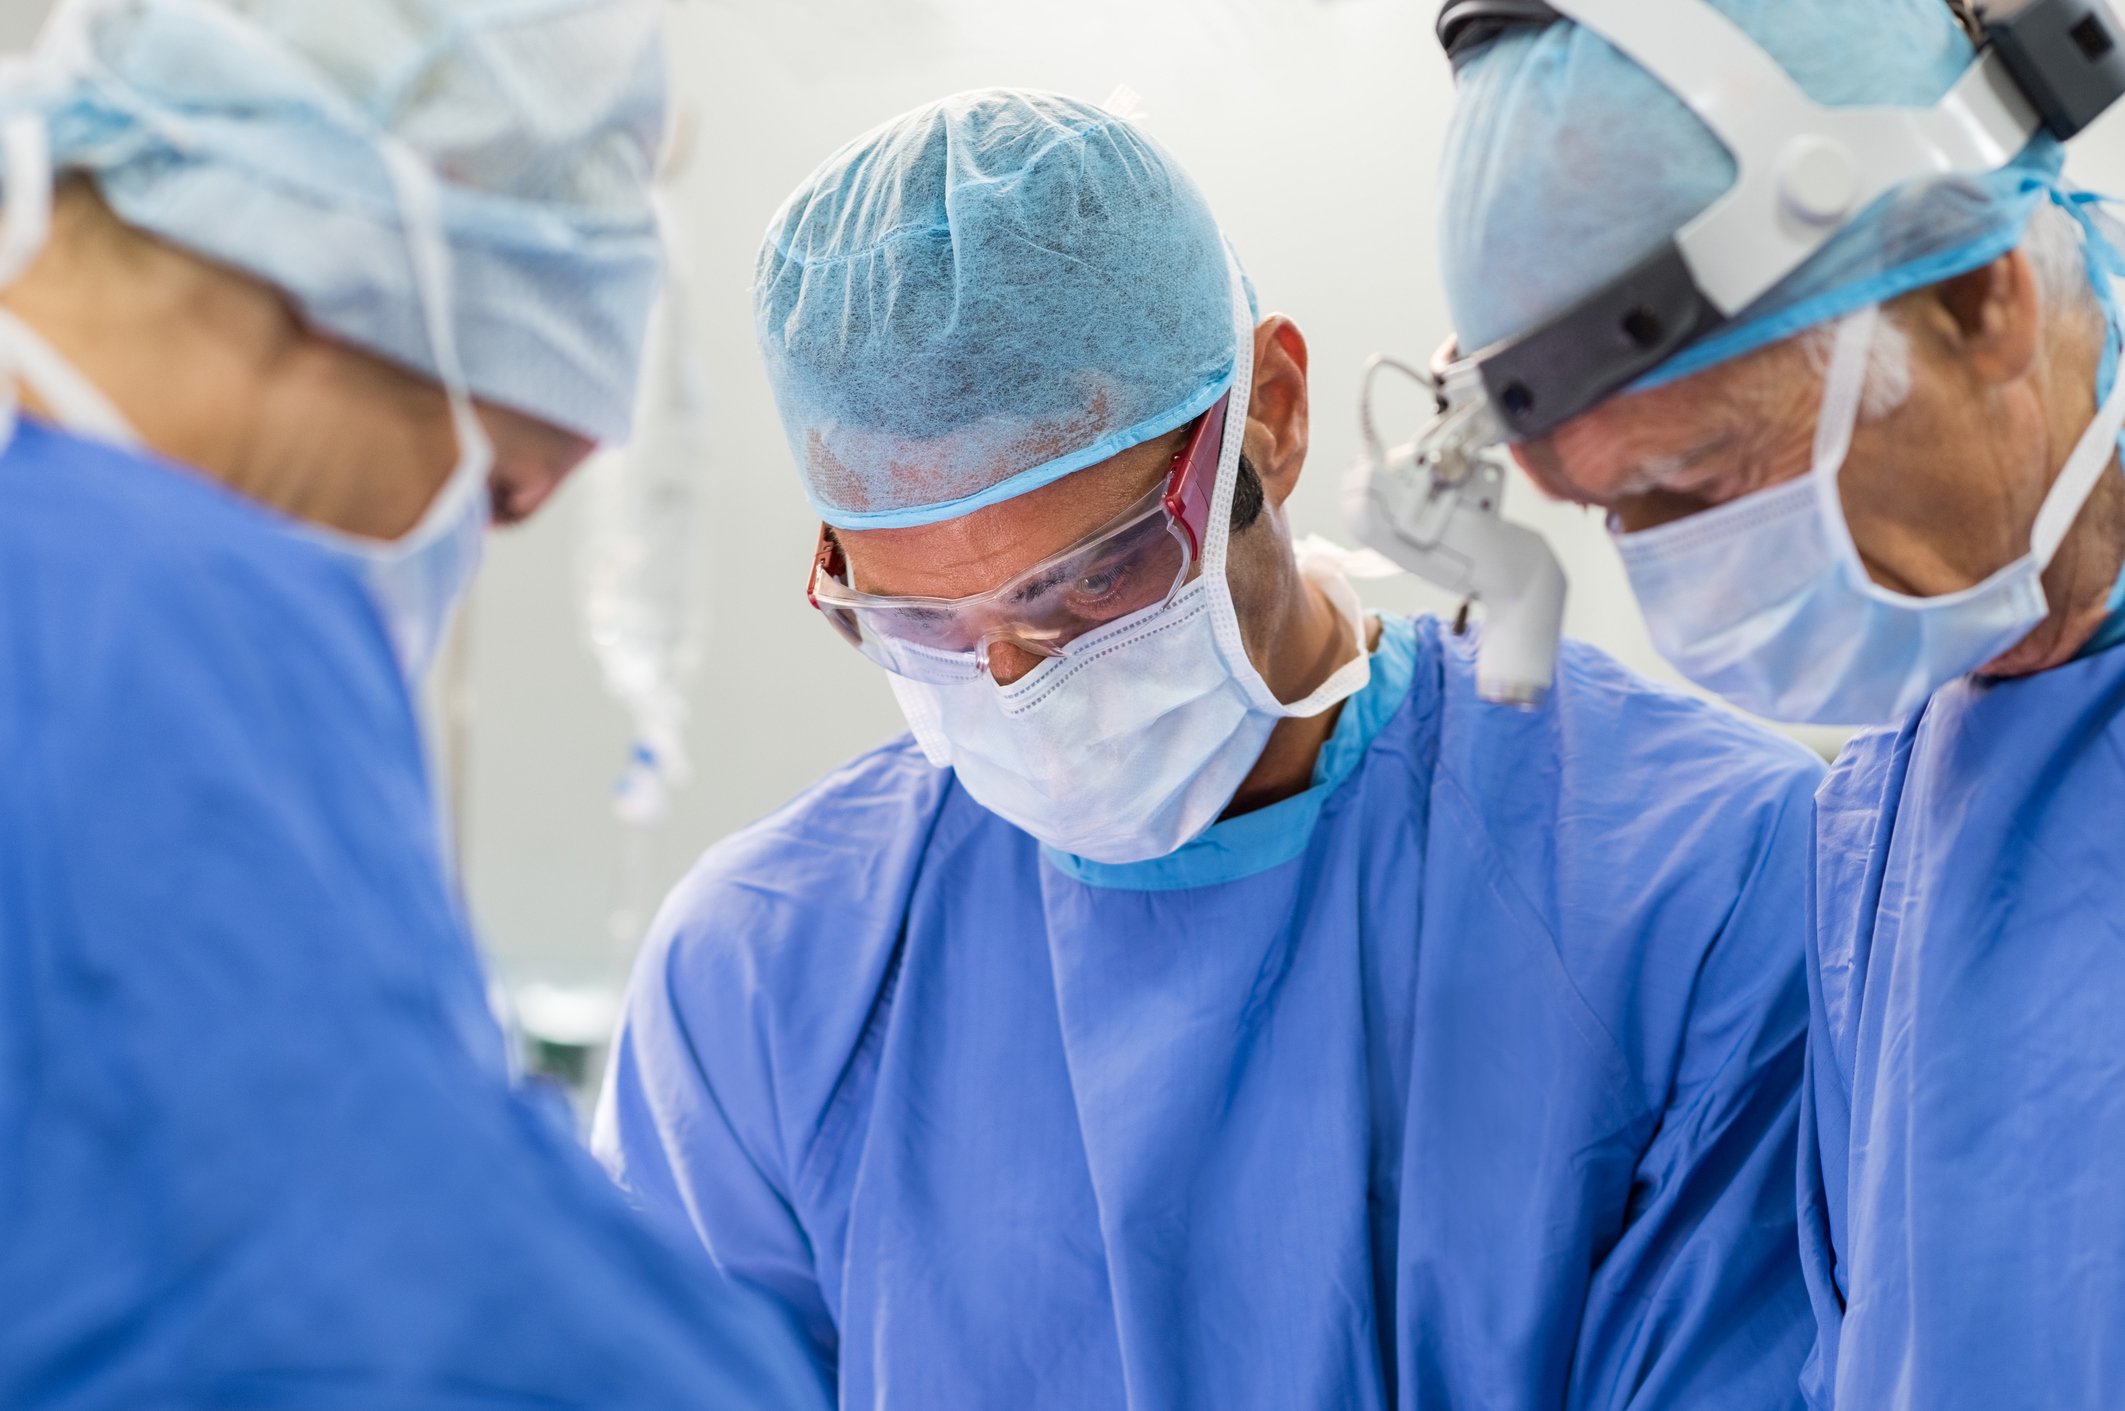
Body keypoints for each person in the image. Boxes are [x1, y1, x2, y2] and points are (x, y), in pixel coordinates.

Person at [596, 87, 1824, 1409]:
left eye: (1090, 584)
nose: (1012, 684)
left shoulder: (1692, 889)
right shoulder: (768, 974)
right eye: (919, 625)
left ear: (1272, 417)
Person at [0, 1, 828, 1405]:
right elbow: (379, 1300)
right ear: (345, 276)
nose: (451, 548)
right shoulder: (132, 615)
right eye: (496, 487)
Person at [1434, 0, 2125, 1406]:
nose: (1674, 579)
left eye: (1693, 484)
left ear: (1971, 297)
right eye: (1609, 514)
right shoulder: (1889, 809)